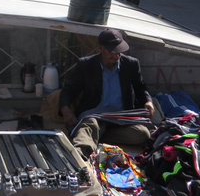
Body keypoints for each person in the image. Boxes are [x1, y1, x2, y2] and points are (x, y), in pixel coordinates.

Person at [59, 29, 154, 160]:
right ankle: (78, 157)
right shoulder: (86, 65)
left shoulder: (131, 64)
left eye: (118, 52)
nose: (115, 56)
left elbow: (140, 88)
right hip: (95, 115)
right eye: (111, 52)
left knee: (142, 134)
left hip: (121, 118)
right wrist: (65, 109)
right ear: (100, 48)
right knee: (90, 124)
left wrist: (148, 102)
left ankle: (95, 136)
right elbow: (69, 89)